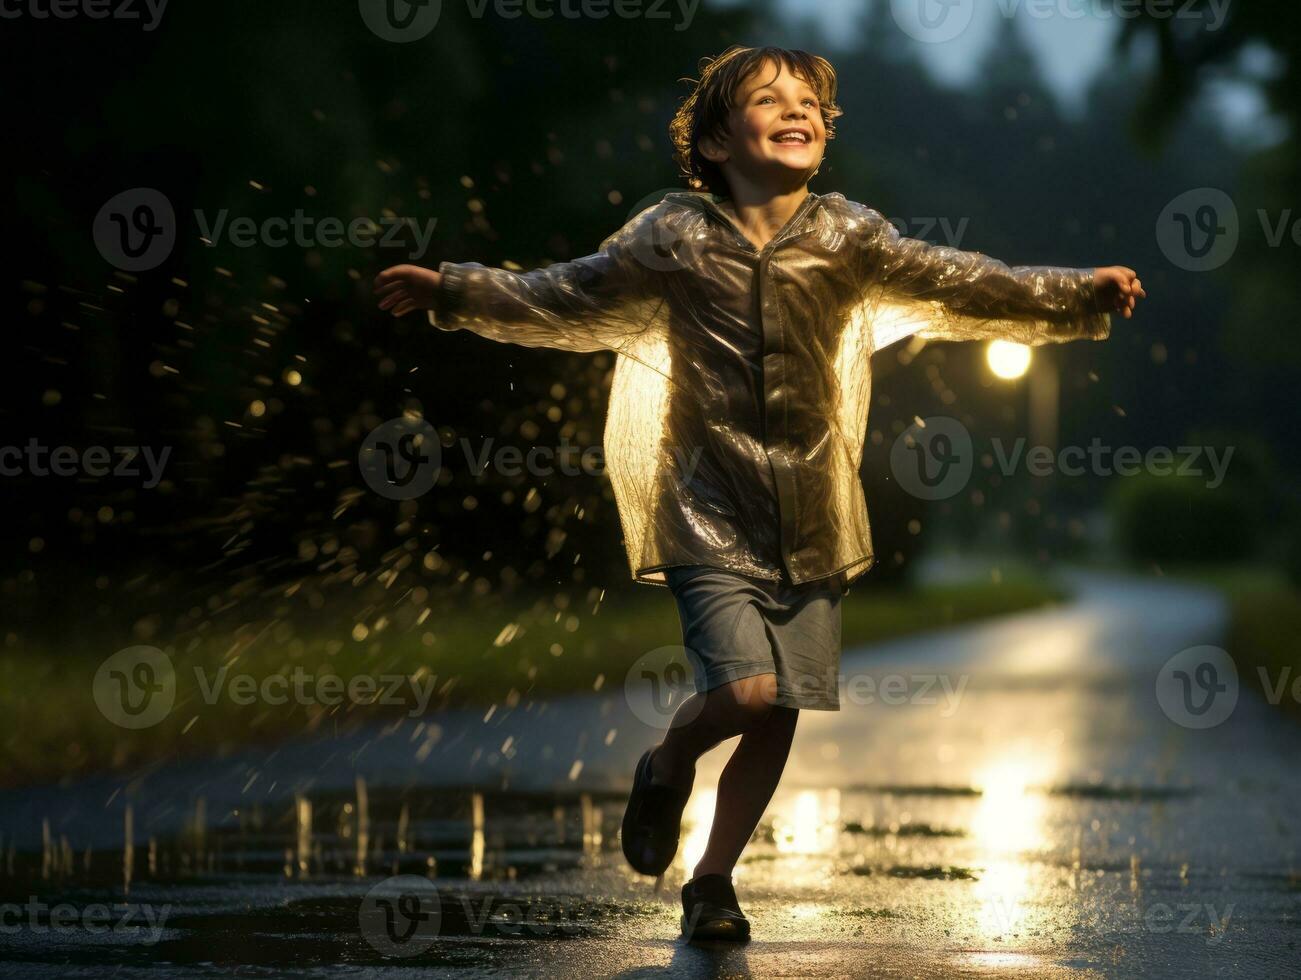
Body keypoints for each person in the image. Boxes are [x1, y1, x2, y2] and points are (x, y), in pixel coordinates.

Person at [373, 44, 1145, 943]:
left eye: (812, 100)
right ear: (711, 141)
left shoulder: (847, 237)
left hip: (812, 515)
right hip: (703, 504)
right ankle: (665, 766)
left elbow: (961, 278)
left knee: (779, 710)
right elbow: (564, 296)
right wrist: (454, 290)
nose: (799, 109)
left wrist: (1071, 293)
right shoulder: (671, 239)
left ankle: (712, 882)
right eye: (769, 98)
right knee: (741, 695)